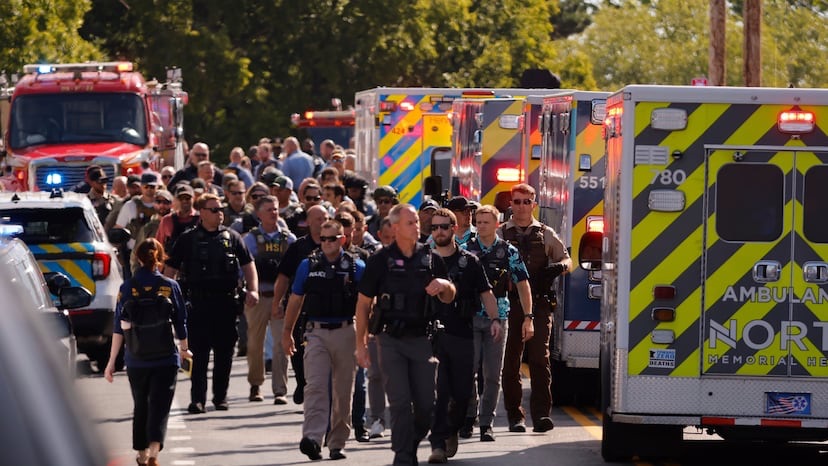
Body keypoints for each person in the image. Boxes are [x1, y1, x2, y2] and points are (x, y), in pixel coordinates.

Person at [355, 203, 456, 466]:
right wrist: (361, 344)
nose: (417, 226)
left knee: (425, 404)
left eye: (416, 222)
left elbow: (450, 295)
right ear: (395, 227)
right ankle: (403, 455)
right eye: (410, 222)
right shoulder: (380, 260)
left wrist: (444, 285)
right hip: (390, 340)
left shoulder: (431, 257)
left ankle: (410, 441)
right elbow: (364, 303)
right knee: (399, 401)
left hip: (422, 339)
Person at [163, 193, 259, 414]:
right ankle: (198, 399)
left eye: (220, 209)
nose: (219, 214)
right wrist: (168, 298)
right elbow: (171, 270)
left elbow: (248, 265)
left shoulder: (233, 237)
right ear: (202, 213)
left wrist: (252, 289)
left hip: (226, 304)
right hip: (198, 304)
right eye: (214, 209)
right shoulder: (188, 239)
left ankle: (220, 397)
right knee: (198, 355)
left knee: (225, 353)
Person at [282, 220, 365, 461]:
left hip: (346, 330)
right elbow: (296, 300)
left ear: (342, 239)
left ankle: (337, 443)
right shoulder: (308, 265)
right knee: (315, 386)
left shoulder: (356, 267)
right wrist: (287, 332)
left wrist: (365, 338)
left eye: (332, 238)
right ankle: (313, 439)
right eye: (323, 238)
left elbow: (365, 305)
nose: (327, 243)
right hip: (315, 331)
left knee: (342, 390)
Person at [104, 238, 190, 466]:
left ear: (138, 259)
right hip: (165, 358)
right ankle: (154, 451)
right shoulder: (170, 286)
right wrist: (184, 349)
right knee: (160, 405)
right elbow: (181, 322)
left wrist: (112, 361)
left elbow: (117, 327)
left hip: (136, 358)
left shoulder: (127, 288)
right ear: (160, 258)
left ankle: (141, 453)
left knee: (141, 404)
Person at [426, 208, 500, 464]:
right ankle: (438, 442)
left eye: (444, 227)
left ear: (455, 228)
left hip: (462, 334)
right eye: (434, 227)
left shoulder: (470, 262)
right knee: (437, 391)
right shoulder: (424, 260)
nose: (439, 232)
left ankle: (452, 428)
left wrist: (495, 320)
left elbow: (486, 293)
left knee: (461, 393)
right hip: (430, 335)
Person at [499, 183, 571, 433]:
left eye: (526, 201)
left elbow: (567, 259)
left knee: (540, 360)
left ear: (534, 204)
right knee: (510, 363)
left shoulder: (545, 233)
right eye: (516, 201)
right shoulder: (499, 234)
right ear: (511, 204)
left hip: (539, 304)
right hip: (508, 304)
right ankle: (515, 416)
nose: (521, 206)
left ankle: (541, 415)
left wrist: (558, 267)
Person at [463, 204, 532, 441]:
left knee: (492, 374)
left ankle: (486, 423)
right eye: (478, 222)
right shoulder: (465, 250)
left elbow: (523, 285)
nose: (481, 226)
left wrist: (528, 317)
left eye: (485, 222)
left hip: (498, 318)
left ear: (496, 224)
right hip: (469, 318)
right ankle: (469, 416)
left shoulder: (508, 251)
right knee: (467, 371)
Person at [271, 205, 330, 405]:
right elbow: (283, 277)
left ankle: (314, 386)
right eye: (318, 218)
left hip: (324, 309)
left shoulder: (333, 246)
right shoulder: (298, 247)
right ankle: (302, 381)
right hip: (299, 309)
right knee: (298, 350)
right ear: (308, 222)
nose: (322, 222)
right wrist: (277, 302)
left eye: (325, 217)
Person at [243, 195, 296, 403]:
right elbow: (246, 265)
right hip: (259, 297)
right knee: (255, 343)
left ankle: (280, 390)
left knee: (281, 343)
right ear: (259, 214)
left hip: (280, 298)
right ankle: (255, 384)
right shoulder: (251, 238)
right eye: (269, 210)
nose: (274, 213)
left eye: (275, 209)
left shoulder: (288, 238)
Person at [130, 189, 173, 276]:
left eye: (166, 202)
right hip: (151, 275)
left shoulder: (176, 223)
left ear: (171, 204)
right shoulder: (148, 227)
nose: (162, 205)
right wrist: (137, 276)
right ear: (154, 204)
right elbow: (136, 254)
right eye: (158, 201)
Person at [155, 184, 199, 253]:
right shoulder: (167, 220)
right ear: (175, 200)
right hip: (172, 262)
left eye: (187, 198)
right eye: (181, 198)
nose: (184, 201)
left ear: (193, 199)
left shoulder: (201, 218)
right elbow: (158, 245)